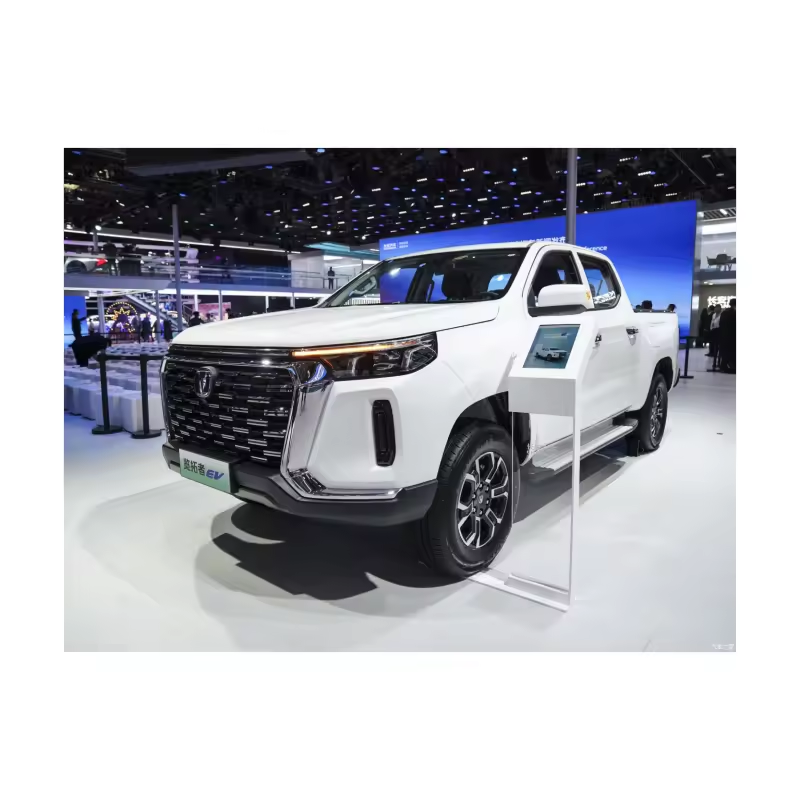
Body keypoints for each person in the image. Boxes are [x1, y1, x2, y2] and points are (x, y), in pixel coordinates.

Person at [718, 298, 736, 373]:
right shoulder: (734, 313)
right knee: (731, 352)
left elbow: (720, 324)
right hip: (732, 336)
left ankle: (723, 366)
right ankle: (731, 367)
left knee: (725, 352)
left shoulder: (724, 312)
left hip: (723, 336)